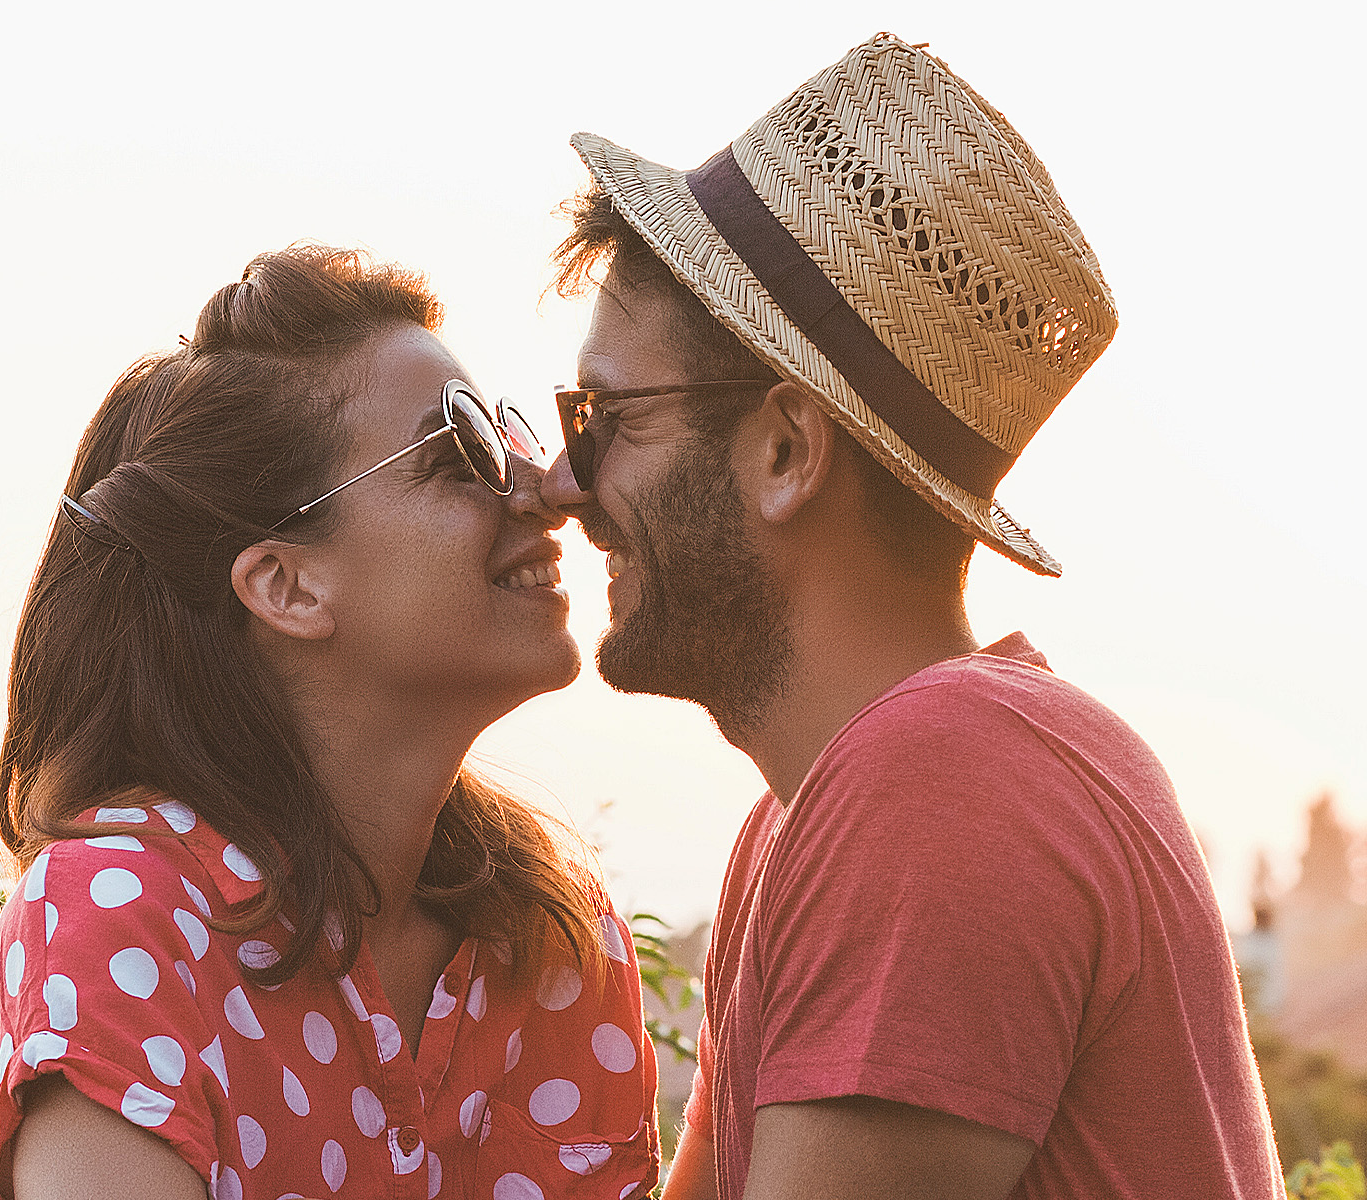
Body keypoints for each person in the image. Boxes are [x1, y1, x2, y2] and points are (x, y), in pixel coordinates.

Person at [539, 34, 1282, 1200]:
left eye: (604, 417)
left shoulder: (939, 784)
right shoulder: (821, 813)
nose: (564, 483)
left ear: (786, 451)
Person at [0, 246, 660, 1200]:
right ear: (286, 584)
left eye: (509, 437)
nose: (540, 490)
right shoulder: (123, 921)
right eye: (459, 455)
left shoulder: (555, 941)